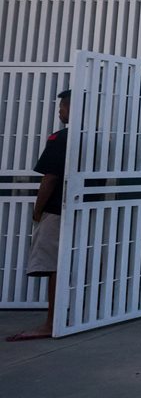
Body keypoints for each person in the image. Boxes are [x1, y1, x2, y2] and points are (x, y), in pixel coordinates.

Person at [7, 89, 70, 342]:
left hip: (56, 210)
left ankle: (51, 323)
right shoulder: (94, 139)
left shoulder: (61, 139)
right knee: (71, 264)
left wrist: (37, 209)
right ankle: (69, 318)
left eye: (62, 107)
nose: (59, 111)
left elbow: (50, 178)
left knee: (54, 264)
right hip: (85, 211)